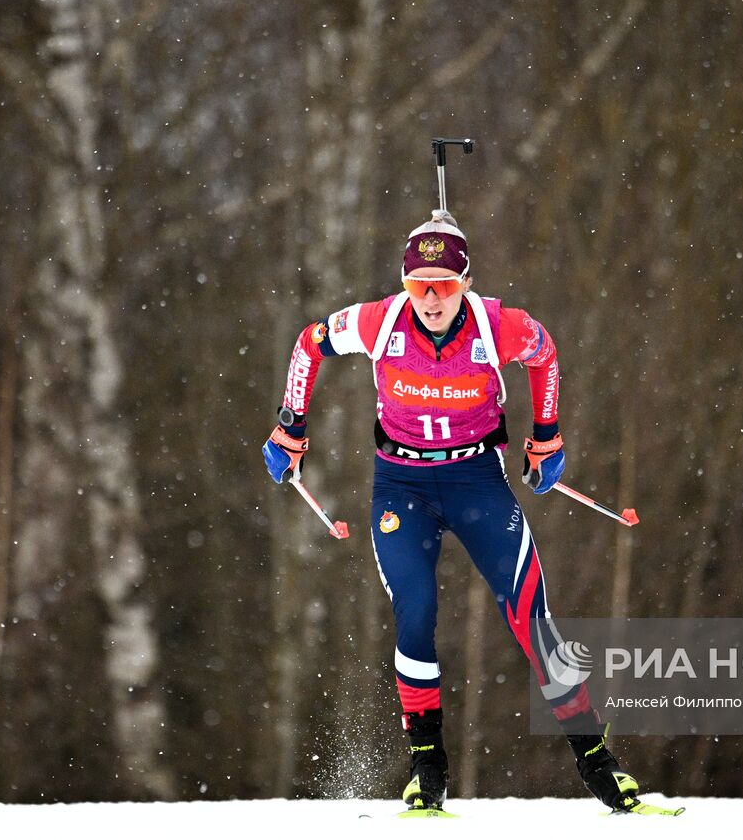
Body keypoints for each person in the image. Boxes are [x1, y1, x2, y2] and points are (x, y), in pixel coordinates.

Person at [261, 212, 647, 815]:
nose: (432, 298)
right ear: (405, 285)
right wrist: (291, 428)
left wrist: (545, 437)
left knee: (530, 614)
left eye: (444, 284)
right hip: (402, 486)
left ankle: (597, 759)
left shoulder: (498, 326)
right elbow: (310, 344)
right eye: (419, 285)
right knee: (415, 612)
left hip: (476, 481)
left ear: (465, 282)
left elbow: (545, 352)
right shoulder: (378, 320)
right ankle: (427, 767)